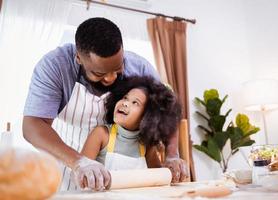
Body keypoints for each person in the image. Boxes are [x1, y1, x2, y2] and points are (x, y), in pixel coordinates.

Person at [22, 17, 188, 191]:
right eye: (99, 73)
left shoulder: (139, 67)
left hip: (119, 185)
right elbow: (33, 125)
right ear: (78, 58)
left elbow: (167, 111)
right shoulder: (55, 66)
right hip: (64, 163)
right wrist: (79, 162)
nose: (110, 78)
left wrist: (171, 155)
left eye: (117, 69)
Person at [81, 76, 183, 189]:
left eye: (135, 103)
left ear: (147, 117)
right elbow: (81, 170)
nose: (125, 103)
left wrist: (171, 173)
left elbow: (157, 176)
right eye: (125, 98)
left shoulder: (145, 145)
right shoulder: (102, 134)